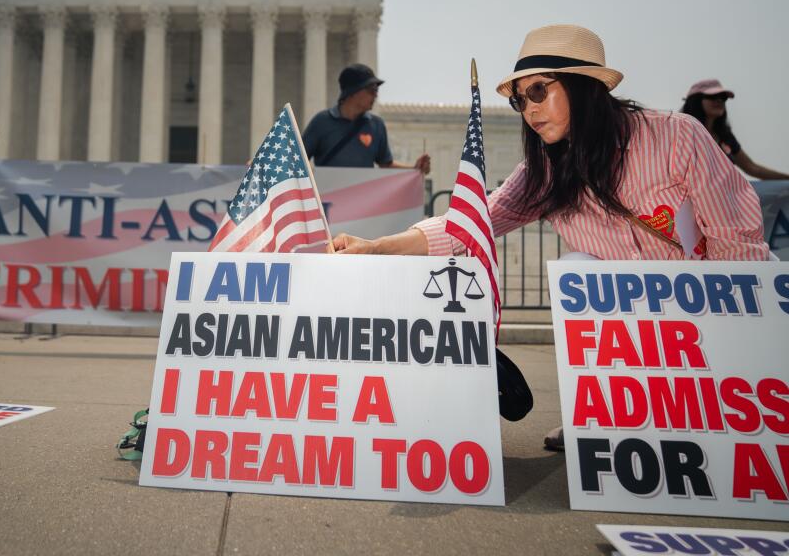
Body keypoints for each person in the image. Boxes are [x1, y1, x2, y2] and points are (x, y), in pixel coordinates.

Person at [329, 25, 771, 451]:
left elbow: (738, 246)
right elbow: (470, 223)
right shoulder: (546, 170)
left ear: (583, 85)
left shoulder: (677, 137)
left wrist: (740, 365)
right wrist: (376, 246)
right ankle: (601, 414)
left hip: (710, 303)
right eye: (521, 100)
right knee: (579, 269)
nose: (530, 109)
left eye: (539, 91)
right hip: (637, 323)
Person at [303, 63, 431, 174]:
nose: (376, 95)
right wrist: (314, 179)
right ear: (352, 92)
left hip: (363, 201)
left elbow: (386, 164)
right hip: (325, 200)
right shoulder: (321, 122)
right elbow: (299, 159)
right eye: (371, 90)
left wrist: (415, 168)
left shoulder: (377, 125)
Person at [681, 79, 789, 180]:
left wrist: (786, 178)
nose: (719, 100)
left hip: (718, 198)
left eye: (723, 97)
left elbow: (751, 167)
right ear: (695, 100)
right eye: (713, 96)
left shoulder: (724, 136)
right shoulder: (681, 132)